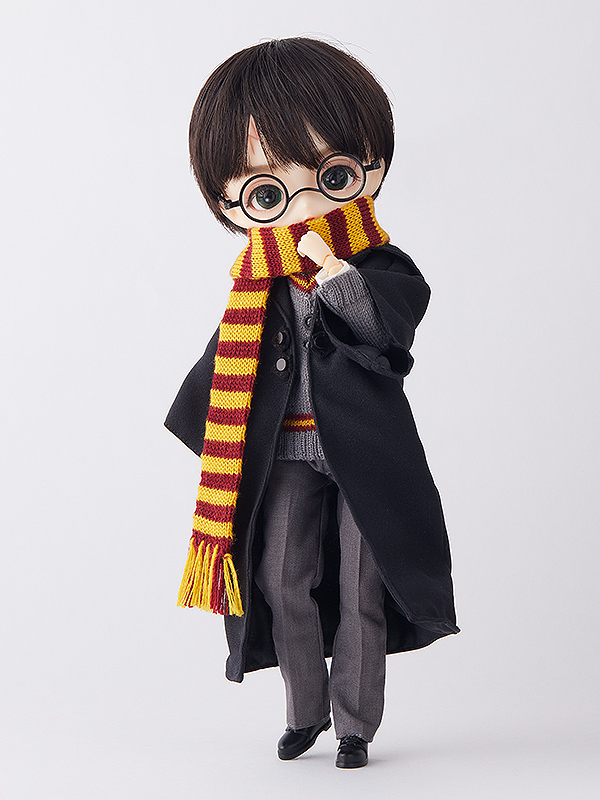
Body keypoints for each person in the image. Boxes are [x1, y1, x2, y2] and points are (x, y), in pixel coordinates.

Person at [165, 37, 459, 769]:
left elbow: (384, 336)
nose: (302, 205)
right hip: (287, 453)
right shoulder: (254, 286)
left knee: (361, 587)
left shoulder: (381, 265)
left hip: (364, 456)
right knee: (277, 578)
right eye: (267, 192)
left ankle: (355, 724)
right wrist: (214, 433)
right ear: (228, 201)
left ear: (371, 167)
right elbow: (224, 370)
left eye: (332, 175)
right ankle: (305, 713)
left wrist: (333, 273)